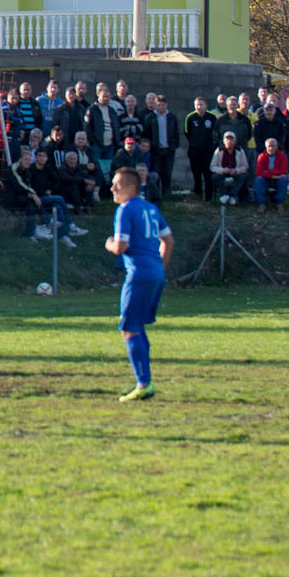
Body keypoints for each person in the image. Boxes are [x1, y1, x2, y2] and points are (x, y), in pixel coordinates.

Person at [105, 165, 172, 402]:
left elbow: (121, 247)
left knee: (129, 328)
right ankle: (145, 380)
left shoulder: (125, 210)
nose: (112, 189)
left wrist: (109, 244)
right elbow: (168, 240)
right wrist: (159, 267)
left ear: (131, 187)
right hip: (155, 274)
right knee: (137, 326)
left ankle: (144, 383)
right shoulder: (151, 208)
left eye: (117, 185)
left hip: (139, 275)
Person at [183, 97, 218, 201]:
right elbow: (187, 132)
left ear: (206, 106)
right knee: (196, 173)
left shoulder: (212, 117)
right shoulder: (190, 117)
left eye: (201, 104)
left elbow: (216, 132)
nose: (199, 107)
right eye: (197, 105)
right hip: (194, 150)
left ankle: (208, 197)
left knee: (208, 174)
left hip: (208, 151)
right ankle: (197, 194)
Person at [251, 138, 289, 213]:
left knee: (284, 179)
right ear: (266, 147)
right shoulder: (261, 156)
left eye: (273, 146)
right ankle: (262, 203)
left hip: (278, 179)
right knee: (258, 180)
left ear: (277, 146)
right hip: (266, 179)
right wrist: (272, 175)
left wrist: (268, 171)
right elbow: (259, 172)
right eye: (269, 146)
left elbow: (283, 171)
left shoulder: (282, 156)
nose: (271, 148)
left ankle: (279, 203)